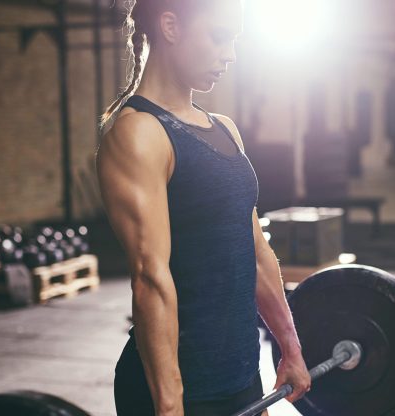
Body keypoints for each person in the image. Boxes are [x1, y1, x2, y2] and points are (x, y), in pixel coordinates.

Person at [95, 1, 310, 415]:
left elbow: (256, 250)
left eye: (234, 40)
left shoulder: (224, 129)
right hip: (178, 385)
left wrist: (291, 347)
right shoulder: (139, 132)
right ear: (171, 26)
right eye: (219, 36)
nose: (230, 54)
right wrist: (170, 405)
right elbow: (150, 278)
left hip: (241, 371)